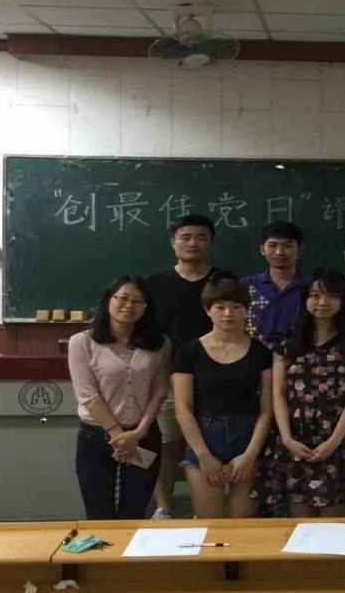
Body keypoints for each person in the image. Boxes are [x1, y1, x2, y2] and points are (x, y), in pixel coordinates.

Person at [261, 270, 345, 516]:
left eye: (331, 296)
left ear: (343, 300)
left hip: (337, 440)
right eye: (315, 295)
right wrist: (287, 439)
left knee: (334, 524)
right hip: (295, 439)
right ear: (305, 299)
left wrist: (333, 441)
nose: (322, 302)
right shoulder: (286, 341)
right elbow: (278, 394)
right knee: (300, 523)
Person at [147, 213, 236, 519]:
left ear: (210, 243)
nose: (193, 243)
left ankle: (209, 508)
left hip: (217, 377)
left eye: (200, 237)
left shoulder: (225, 281)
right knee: (167, 444)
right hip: (168, 377)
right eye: (185, 237)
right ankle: (163, 507)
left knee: (215, 442)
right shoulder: (155, 284)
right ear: (173, 243)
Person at [68, 276, 170, 520]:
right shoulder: (82, 342)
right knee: (99, 515)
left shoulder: (160, 343)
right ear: (108, 301)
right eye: (123, 298)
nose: (129, 305)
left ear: (146, 307)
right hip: (97, 437)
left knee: (134, 513)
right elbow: (87, 394)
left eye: (138, 301)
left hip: (144, 436)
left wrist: (138, 433)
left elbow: (159, 390)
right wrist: (117, 435)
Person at [172, 277, 273, 519]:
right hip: (204, 437)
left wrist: (250, 455)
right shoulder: (188, 352)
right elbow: (183, 408)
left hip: (249, 438)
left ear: (247, 310)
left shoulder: (261, 352)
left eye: (236, 307)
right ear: (208, 310)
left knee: (242, 524)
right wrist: (204, 456)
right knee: (210, 524)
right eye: (220, 307)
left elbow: (267, 409)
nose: (228, 314)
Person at [242, 221, 307, 346]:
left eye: (287, 246)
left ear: (300, 250)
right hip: (253, 354)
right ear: (262, 250)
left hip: (298, 355)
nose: (279, 252)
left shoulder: (311, 288)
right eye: (272, 245)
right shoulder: (245, 286)